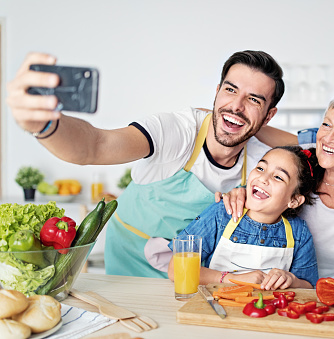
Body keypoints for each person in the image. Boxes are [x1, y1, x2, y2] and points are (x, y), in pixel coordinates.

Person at [7, 50, 284, 278]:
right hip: (130, 260)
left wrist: (253, 126)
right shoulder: (177, 130)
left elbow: (314, 147)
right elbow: (95, 145)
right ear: (216, 91)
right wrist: (44, 125)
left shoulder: (262, 159)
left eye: (253, 100)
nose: (236, 105)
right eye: (230, 90)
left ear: (269, 115)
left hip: (195, 269)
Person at [222, 90, 334, 307]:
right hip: (282, 289)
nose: (328, 138)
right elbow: (263, 175)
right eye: (326, 125)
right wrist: (240, 193)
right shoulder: (302, 163)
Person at [168, 146, 319, 289]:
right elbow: (176, 269)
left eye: (278, 177)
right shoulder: (222, 213)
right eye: (260, 168)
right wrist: (231, 279)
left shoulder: (299, 232)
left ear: (294, 201)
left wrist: (292, 280)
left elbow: (308, 285)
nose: (263, 178)